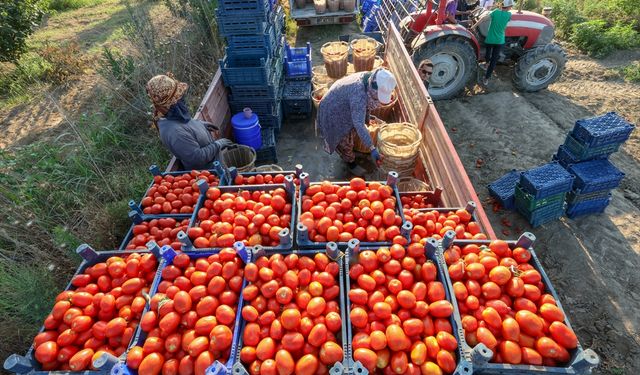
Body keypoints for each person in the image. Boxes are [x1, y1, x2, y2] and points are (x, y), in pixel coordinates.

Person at [316, 68, 397, 176]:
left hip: (343, 103)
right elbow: (358, 124)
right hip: (333, 110)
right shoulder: (358, 94)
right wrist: (372, 148)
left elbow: (363, 109)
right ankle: (350, 162)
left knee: (353, 130)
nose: (378, 100)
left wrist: (366, 119)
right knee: (344, 139)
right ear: (373, 88)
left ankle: (350, 152)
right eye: (378, 96)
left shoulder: (369, 78)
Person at [146, 74, 233, 170]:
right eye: (178, 99)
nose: (181, 100)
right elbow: (197, 158)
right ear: (168, 105)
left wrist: (200, 125)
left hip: (217, 161)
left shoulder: (171, 114)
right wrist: (218, 144)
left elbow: (186, 125)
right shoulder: (175, 133)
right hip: (211, 172)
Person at [482, 0, 513, 85]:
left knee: (488, 53)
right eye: (511, 6)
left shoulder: (495, 12)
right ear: (509, 7)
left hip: (490, 39)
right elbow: (507, 21)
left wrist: (474, 26)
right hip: (500, 41)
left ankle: (486, 64)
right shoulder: (509, 15)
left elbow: (484, 18)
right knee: (494, 60)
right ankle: (486, 78)